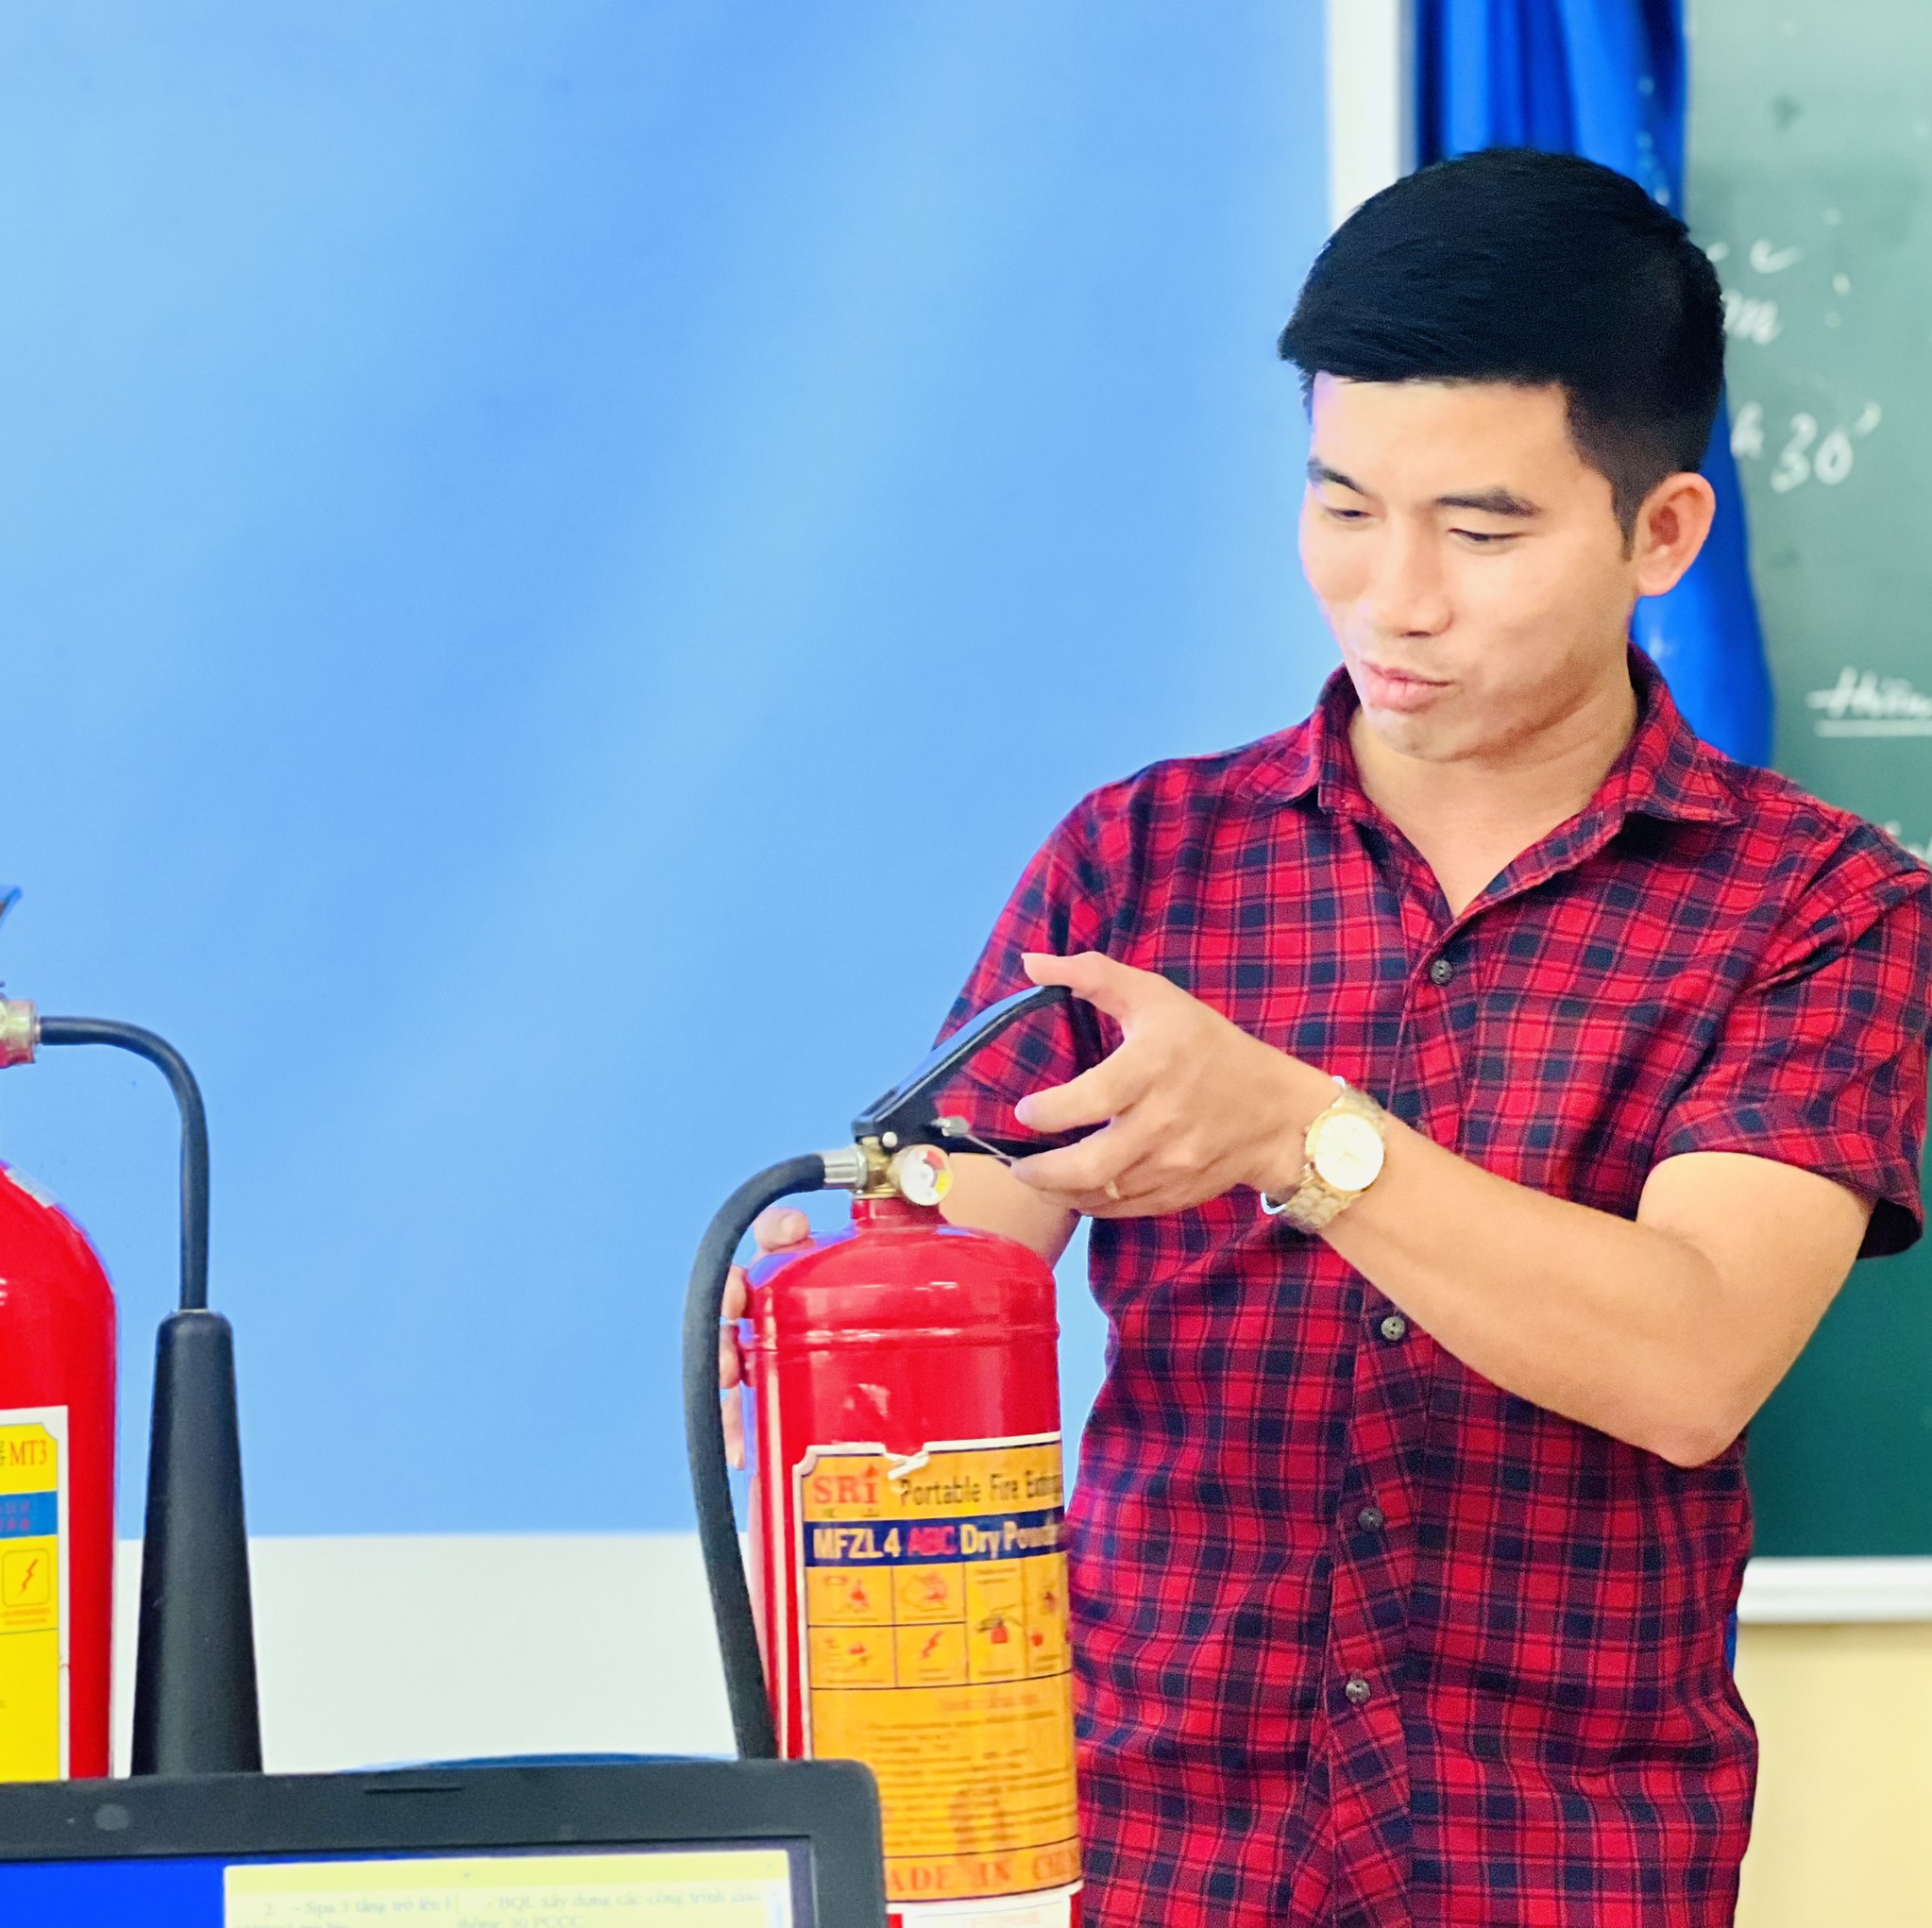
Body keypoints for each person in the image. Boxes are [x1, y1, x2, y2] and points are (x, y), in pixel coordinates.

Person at [724, 148, 1932, 1925]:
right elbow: (931, 1290)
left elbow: (1690, 1361)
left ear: (1662, 533)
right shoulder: (1139, 862)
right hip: (1149, 1848)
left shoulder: (1817, 907)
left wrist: (1302, 1137)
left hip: (1557, 1862)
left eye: (1483, 532)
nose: (1395, 596)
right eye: (1345, 506)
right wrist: (823, 1312)